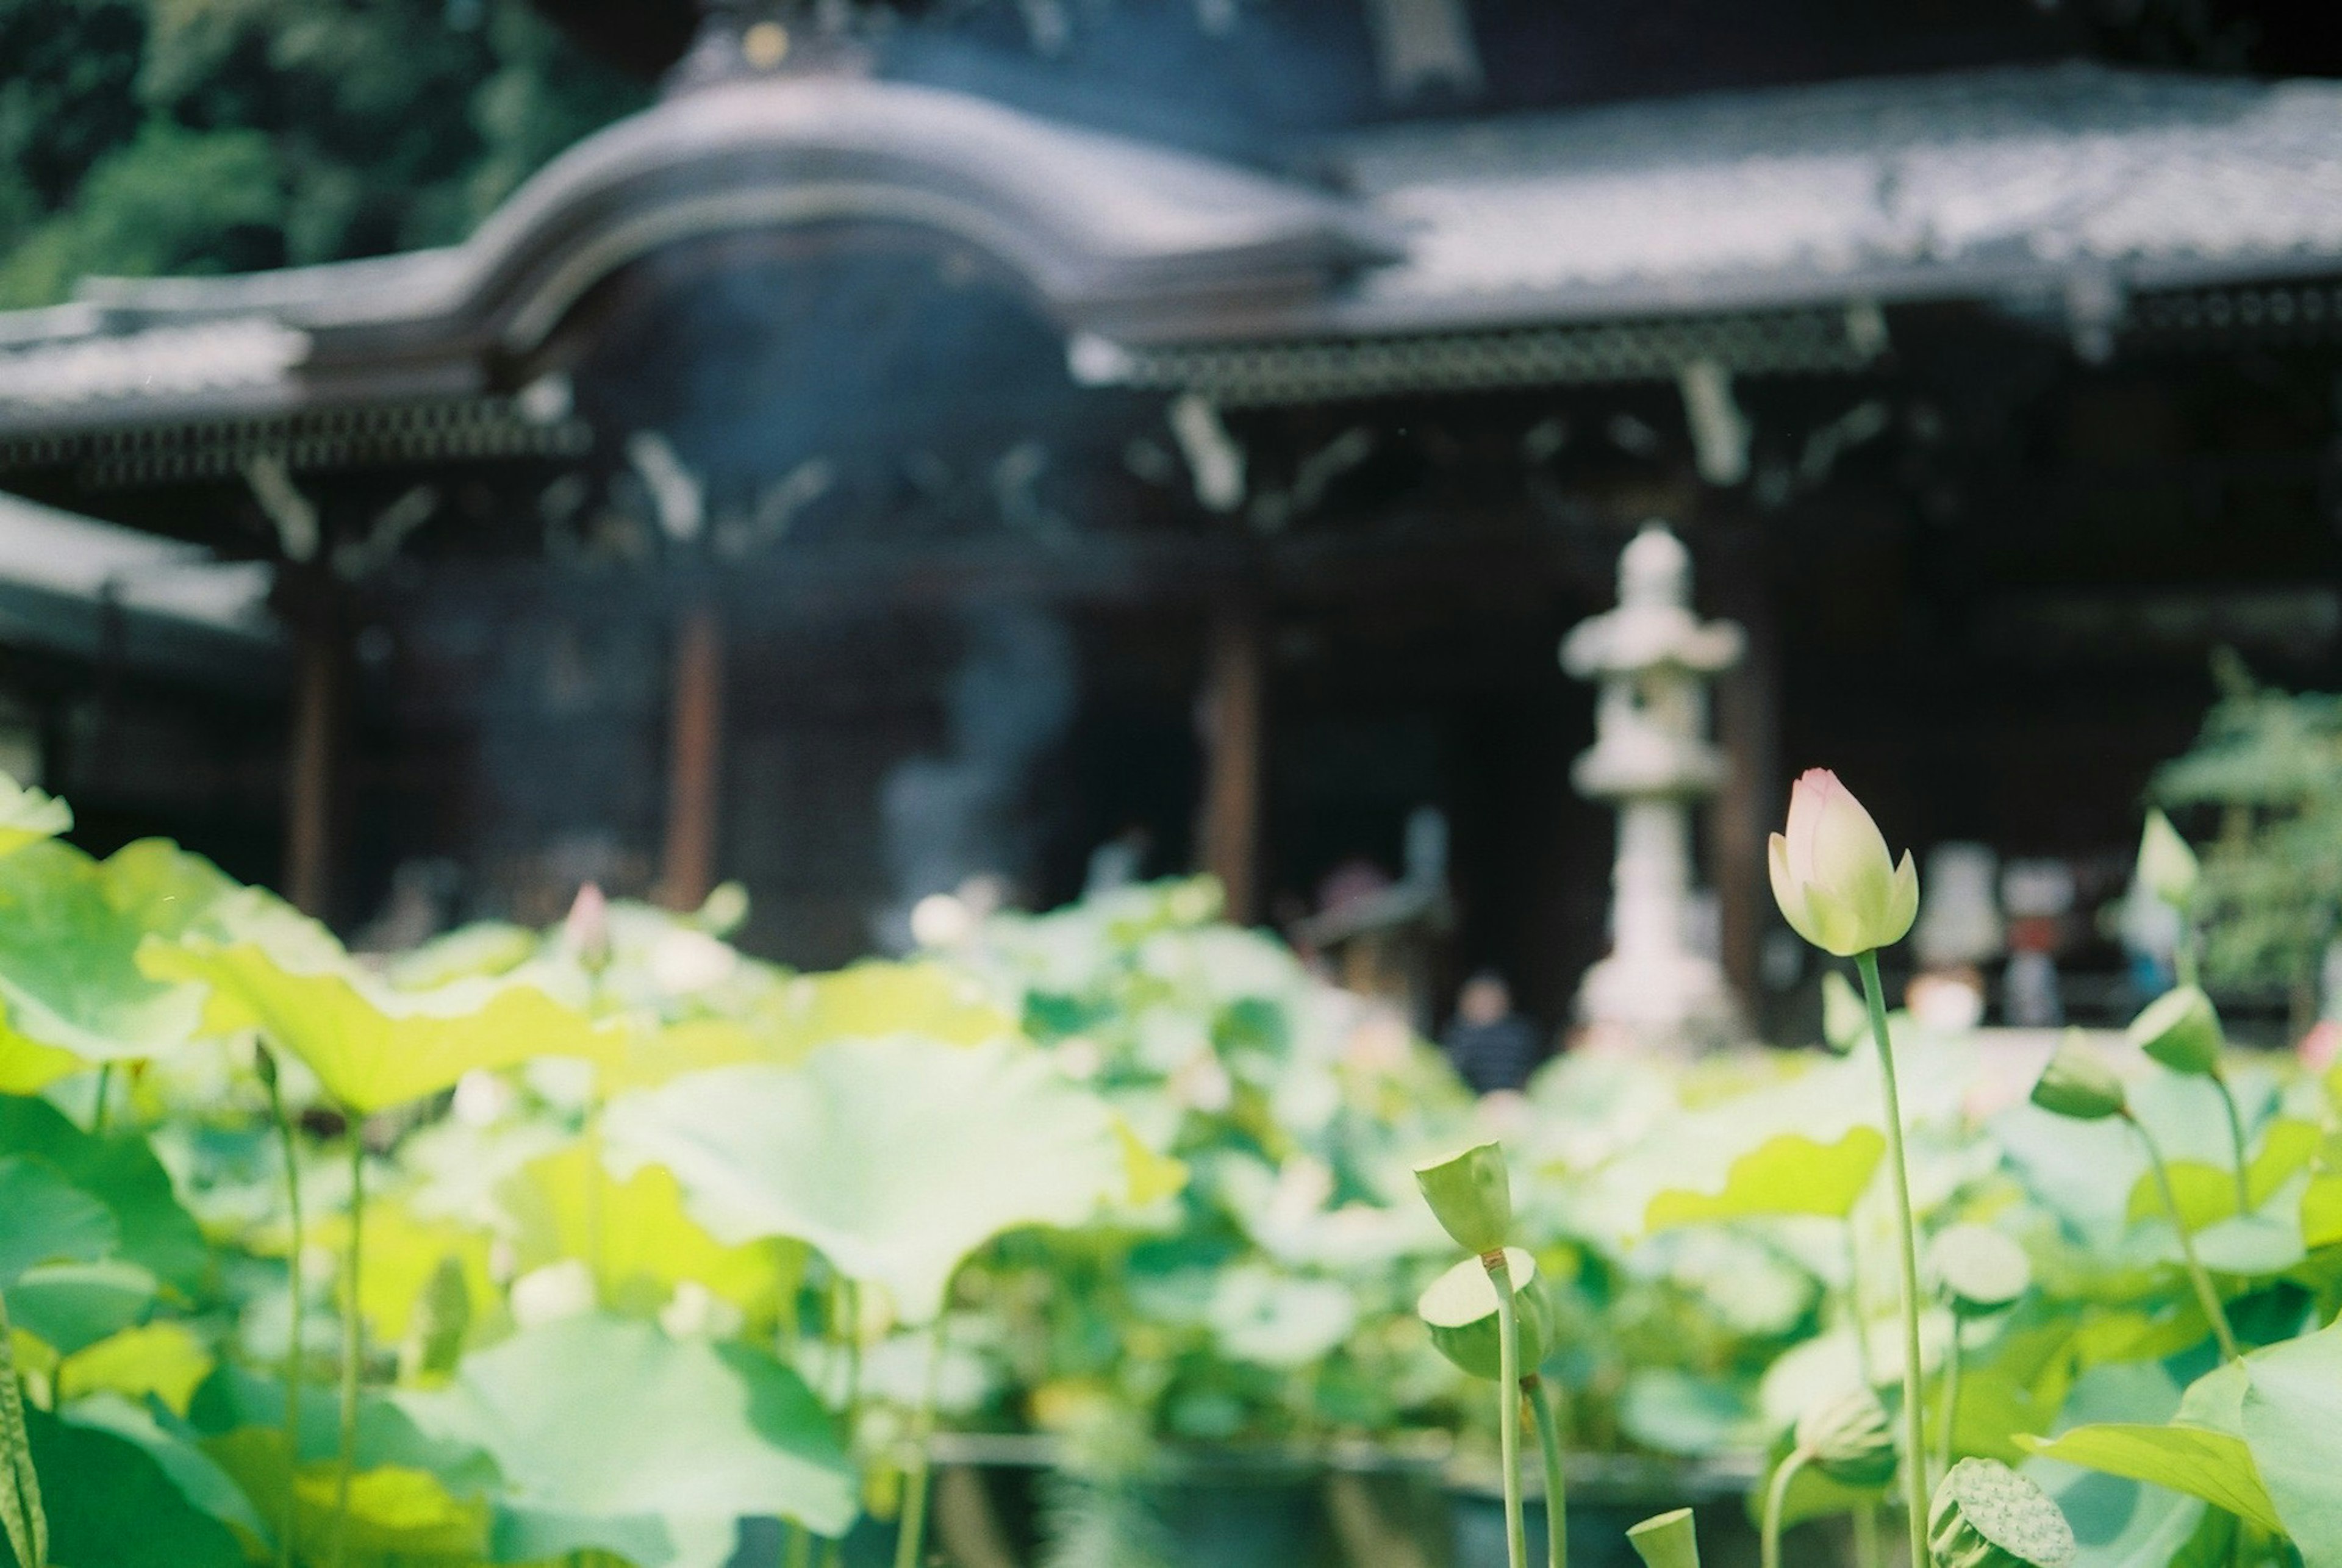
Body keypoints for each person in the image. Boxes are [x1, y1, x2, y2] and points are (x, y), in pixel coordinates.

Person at [1441, 970, 1542, 1095]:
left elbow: (1532, 1073)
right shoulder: (1456, 1034)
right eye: (1478, 997)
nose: (1483, 1003)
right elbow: (1448, 1076)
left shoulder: (1521, 1034)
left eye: (1490, 997)